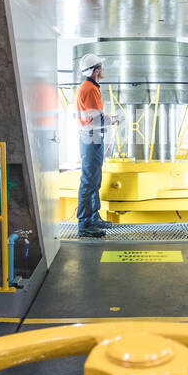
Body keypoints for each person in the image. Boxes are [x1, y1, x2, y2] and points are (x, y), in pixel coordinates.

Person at [75, 52, 121, 237]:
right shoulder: (90, 89)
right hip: (91, 137)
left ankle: (93, 218)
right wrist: (113, 120)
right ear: (95, 71)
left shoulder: (89, 87)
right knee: (89, 181)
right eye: (101, 67)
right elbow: (96, 119)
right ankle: (85, 224)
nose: (103, 70)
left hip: (91, 136)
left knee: (94, 179)